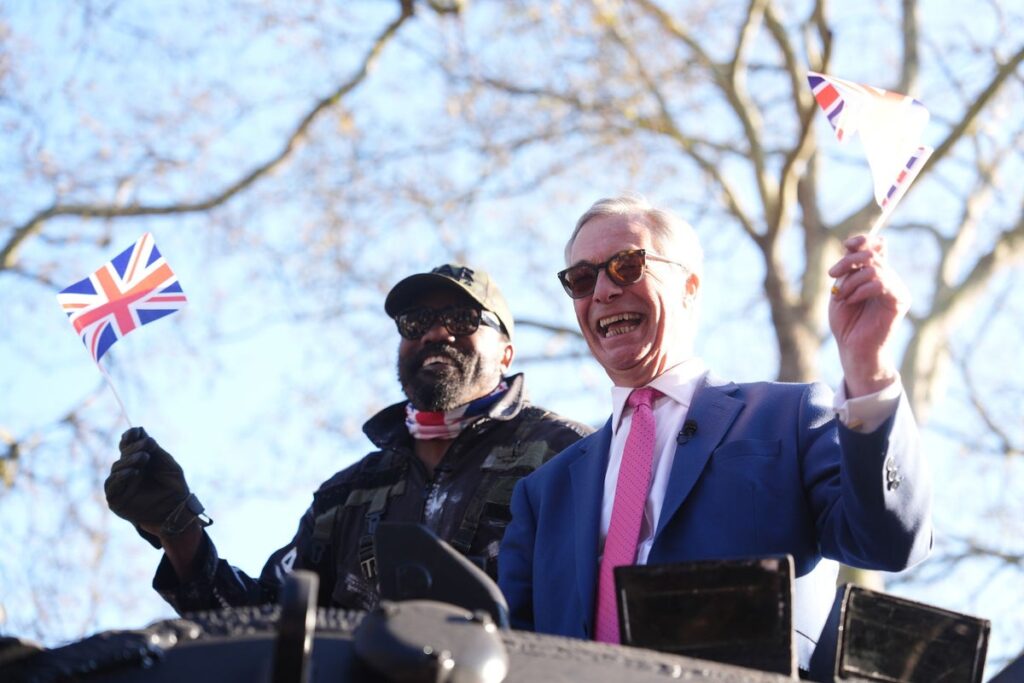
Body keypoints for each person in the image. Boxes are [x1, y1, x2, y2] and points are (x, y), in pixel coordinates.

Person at [498, 195, 932, 670]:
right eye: (582, 279)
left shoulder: (787, 415)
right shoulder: (544, 492)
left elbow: (889, 541)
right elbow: (513, 651)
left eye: (626, 266)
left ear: (689, 285)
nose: (601, 290)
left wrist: (868, 365)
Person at [105, 263, 591, 613]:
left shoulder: (569, 455)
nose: (435, 333)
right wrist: (178, 531)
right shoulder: (349, 494)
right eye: (415, 322)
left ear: (506, 352)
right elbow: (262, 626)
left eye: (463, 319)